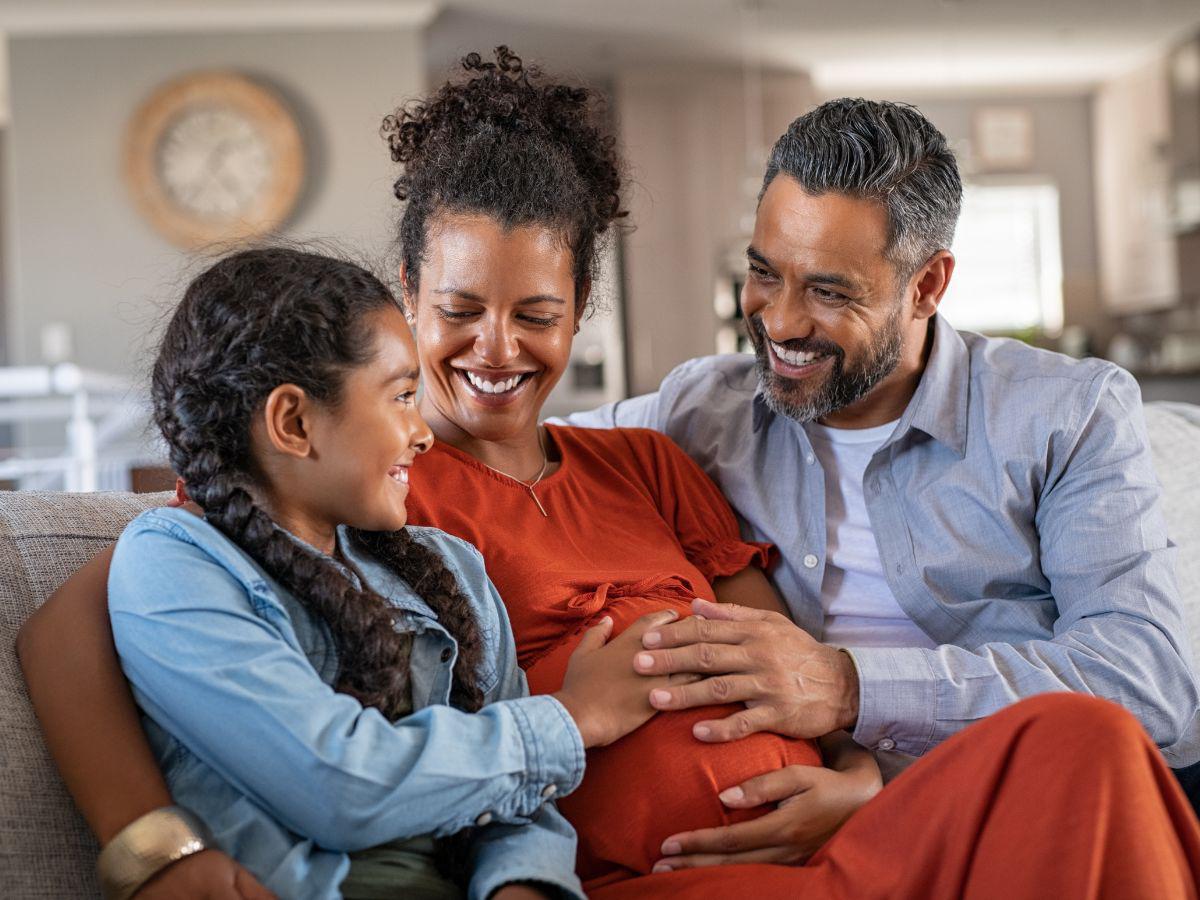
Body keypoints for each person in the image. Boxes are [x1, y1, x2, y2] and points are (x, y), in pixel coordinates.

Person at [17, 52, 1200, 899]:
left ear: (582, 309)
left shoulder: (656, 448)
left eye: (536, 314)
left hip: (847, 840)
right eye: (458, 310)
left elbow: (779, 657)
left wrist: (861, 782)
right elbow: (91, 612)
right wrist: (154, 850)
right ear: (405, 295)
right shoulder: (365, 485)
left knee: (1089, 743)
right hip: (665, 874)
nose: (495, 351)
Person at [560, 97, 1200, 865]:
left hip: (1019, 802)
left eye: (829, 292)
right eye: (763, 273)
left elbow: (1144, 681)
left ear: (927, 286)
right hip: (822, 828)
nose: (780, 322)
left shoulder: (1066, 413)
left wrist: (848, 688)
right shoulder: (701, 409)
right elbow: (513, 453)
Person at [21, 246, 686, 900]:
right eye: (401, 397)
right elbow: (338, 787)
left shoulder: (451, 567)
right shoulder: (177, 560)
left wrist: (523, 884)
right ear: (293, 422)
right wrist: (572, 718)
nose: (423, 433)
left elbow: (523, 811)